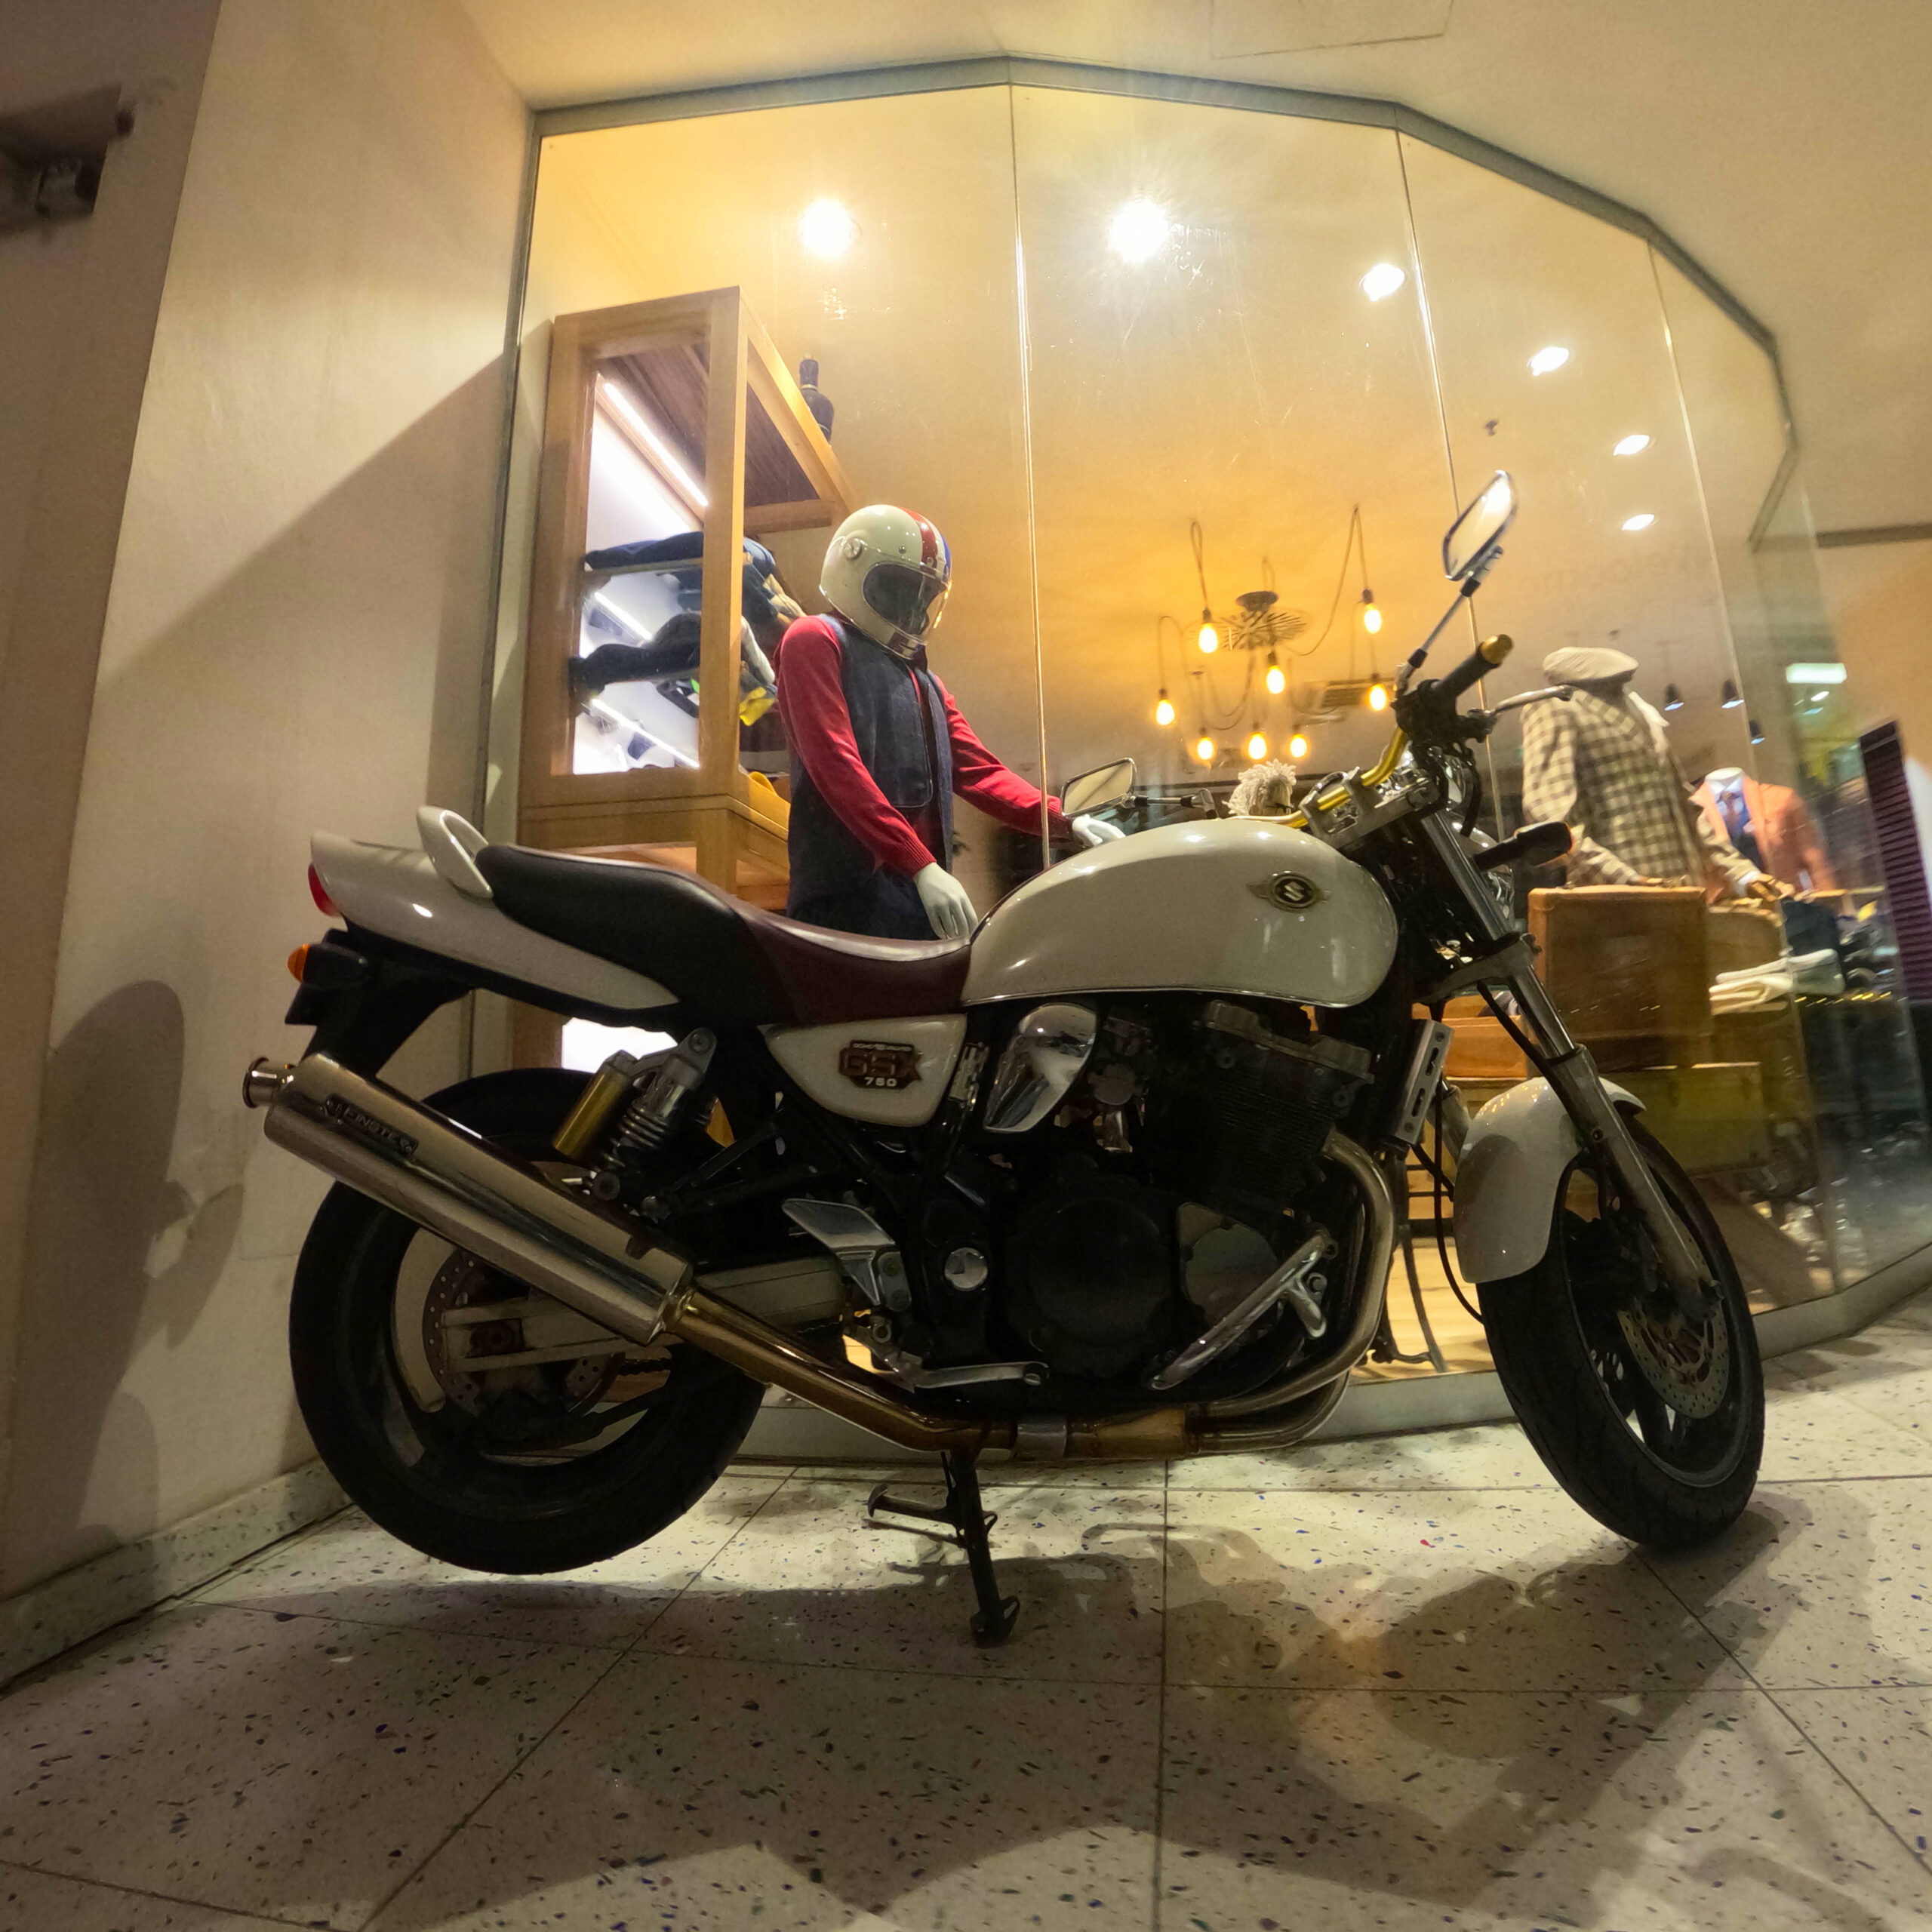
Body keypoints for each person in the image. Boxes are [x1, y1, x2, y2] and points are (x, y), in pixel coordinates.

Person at [776, 503, 1118, 940]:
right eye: (899, 587)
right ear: (853, 564)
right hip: (846, 893)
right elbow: (834, 762)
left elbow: (981, 772)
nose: (913, 607)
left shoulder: (927, 683)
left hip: (920, 889)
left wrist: (1065, 818)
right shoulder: (815, 638)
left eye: (923, 594)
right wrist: (918, 862)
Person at [1519, 647, 1780, 903]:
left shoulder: (1639, 709)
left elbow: (1686, 809)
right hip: (1616, 906)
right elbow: (1550, 821)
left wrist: (1742, 873)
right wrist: (1627, 880)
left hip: (1685, 895)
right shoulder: (1555, 708)